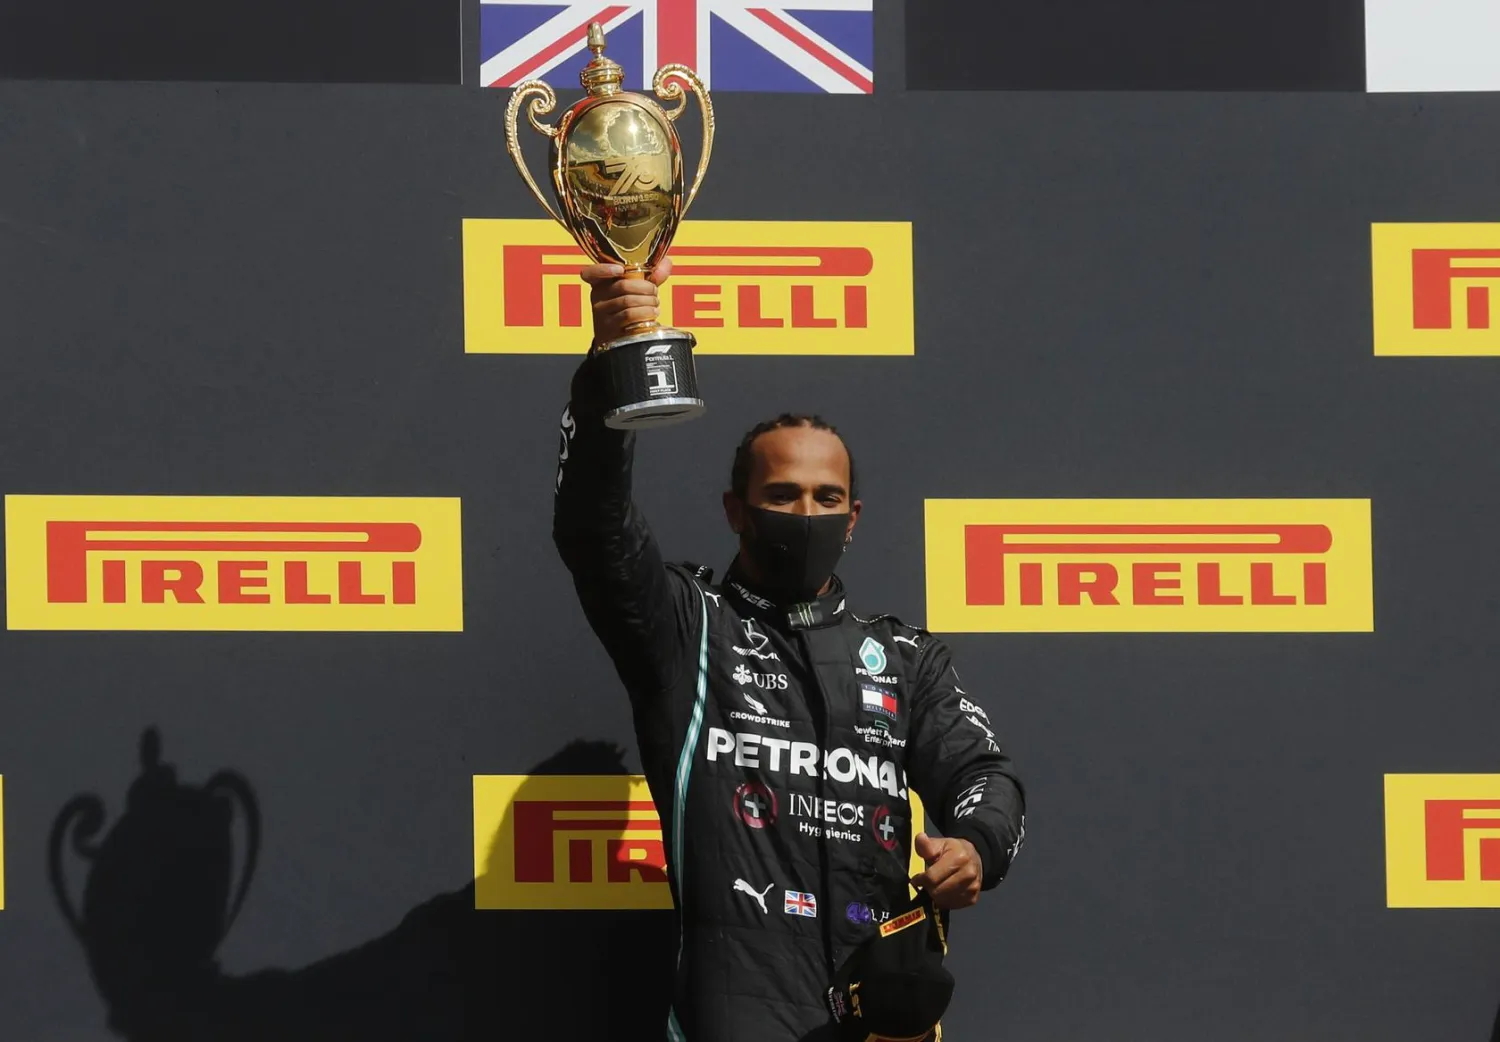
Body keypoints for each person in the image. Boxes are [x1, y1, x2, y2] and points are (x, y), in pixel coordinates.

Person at [552, 257, 1027, 1042]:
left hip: (883, 1012)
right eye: (782, 496)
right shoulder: (687, 626)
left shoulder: (905, 660)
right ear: (736, 510)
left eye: (826, 498)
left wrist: (975, 847)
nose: (806, 514)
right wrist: (611, 371)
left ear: (854, 516)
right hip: (739, 1006)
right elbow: (593, 530)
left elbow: (986, 775)